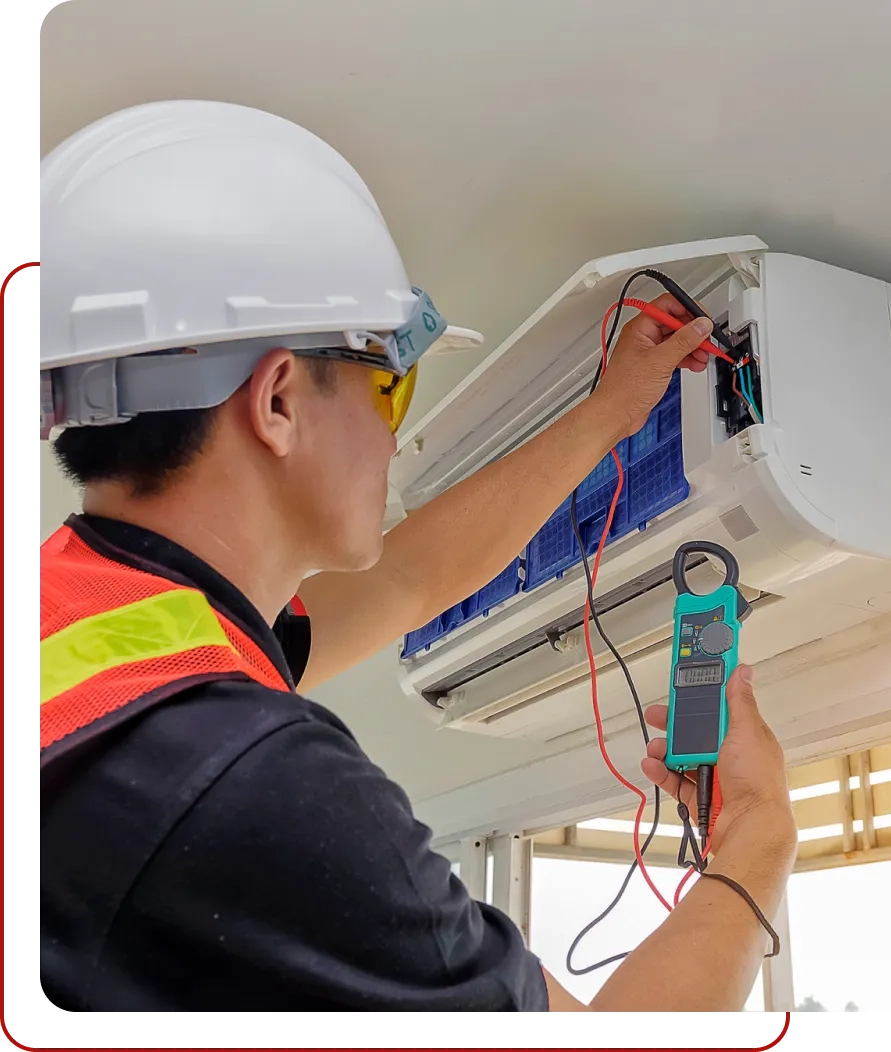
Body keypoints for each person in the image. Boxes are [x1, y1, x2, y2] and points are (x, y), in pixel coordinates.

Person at [39, 100, 797, 1015]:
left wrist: (607, 416)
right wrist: (761, 837)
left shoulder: (92, 626)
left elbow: (406, 579)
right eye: (391, 387)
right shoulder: (246, 779)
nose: (393, 438)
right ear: (279, 399)